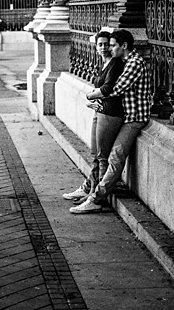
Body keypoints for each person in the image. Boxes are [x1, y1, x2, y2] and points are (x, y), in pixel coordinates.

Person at [70, 28, 150, 214]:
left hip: (135, 118)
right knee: (107, 156)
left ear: (124, 46)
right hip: (128, 117)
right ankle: (93, 193)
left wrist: (93, 97)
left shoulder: (135, 63)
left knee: (114, 157)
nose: (110, 49)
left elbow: (114, 89)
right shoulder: (126, 62)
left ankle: (96, 198)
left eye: (113, 45)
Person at [62, 30, 125, 203]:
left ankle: (96, 198)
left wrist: (90, 96)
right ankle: (89, 188)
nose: (104, 47)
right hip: (100, 110)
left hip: (110, 113)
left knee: (102, 156)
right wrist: (92, 102)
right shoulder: (103, 65)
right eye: (101, 44)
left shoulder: (115, 64)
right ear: (95, 46)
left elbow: (107, 89)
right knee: (95, 154)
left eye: (107, 44)